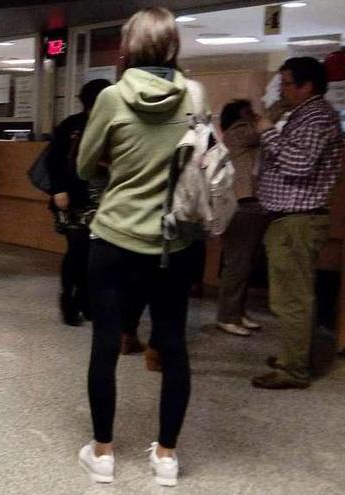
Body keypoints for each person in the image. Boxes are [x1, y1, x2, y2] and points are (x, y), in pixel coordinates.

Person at [76, 7, 209, 486]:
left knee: (106, 344)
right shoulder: (194, 94)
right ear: (172, 46)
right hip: (175, 242)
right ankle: (167, 458)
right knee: (173, 345)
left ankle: (103, 453)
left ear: (127, 49)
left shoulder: (112, 97)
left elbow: (86, 164)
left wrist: (123, 161)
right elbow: (197, 157)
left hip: (114, 238)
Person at [252, 57, 344, 390]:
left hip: (298, 221)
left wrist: (268, 134)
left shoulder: (317, 116)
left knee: (292, 298)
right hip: (289, 219)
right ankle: (292, 356)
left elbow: (299, 165)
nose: (282, 89)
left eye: (287, 83)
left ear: (307, 86)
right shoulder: (303, 115)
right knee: (290, 295)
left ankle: (294, 369)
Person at [46, 80, 111, 327]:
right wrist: (58, 189)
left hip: (104, 200)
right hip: (74, 198)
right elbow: (53, 160)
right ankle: (70, 300)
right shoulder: (71, 126)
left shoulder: (109, 125)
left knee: (95, 254)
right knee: (78, 251)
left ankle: (86, 300)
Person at [215, 99, 267, 337]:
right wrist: (273, 109)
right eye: (249, 111)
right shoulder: (238, 132)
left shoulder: (240, 134)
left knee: (245, 263)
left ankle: (236, 312)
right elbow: (260, 130)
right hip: (241, 205)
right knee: (238, 264)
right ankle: (227, 315)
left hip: (248, 204)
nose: (255, 115)